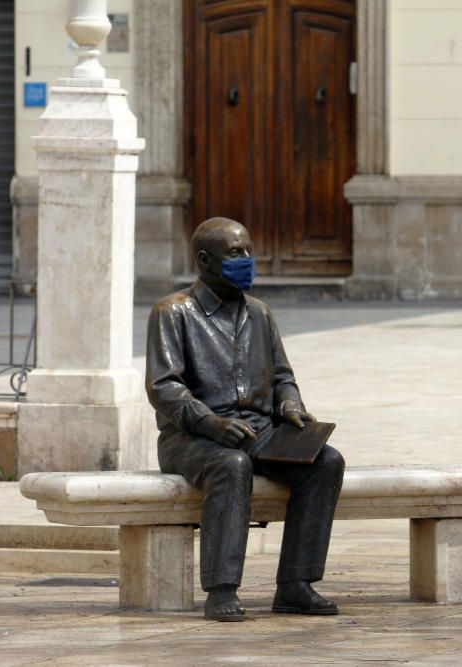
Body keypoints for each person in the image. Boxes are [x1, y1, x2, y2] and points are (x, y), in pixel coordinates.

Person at [145, 217, 346, 622]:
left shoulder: (259, 313)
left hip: (259, 431)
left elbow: (283, 377)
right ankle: (221, 589)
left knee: (326, 462)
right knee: (232, 465)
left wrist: (290, 406)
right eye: (236, 254)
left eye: (249, 251)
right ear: (204, 261)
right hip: (192, 437)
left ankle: (296, 584)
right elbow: (163, 387)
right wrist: (209, 423)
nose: (248, 261)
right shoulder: (173, 312)